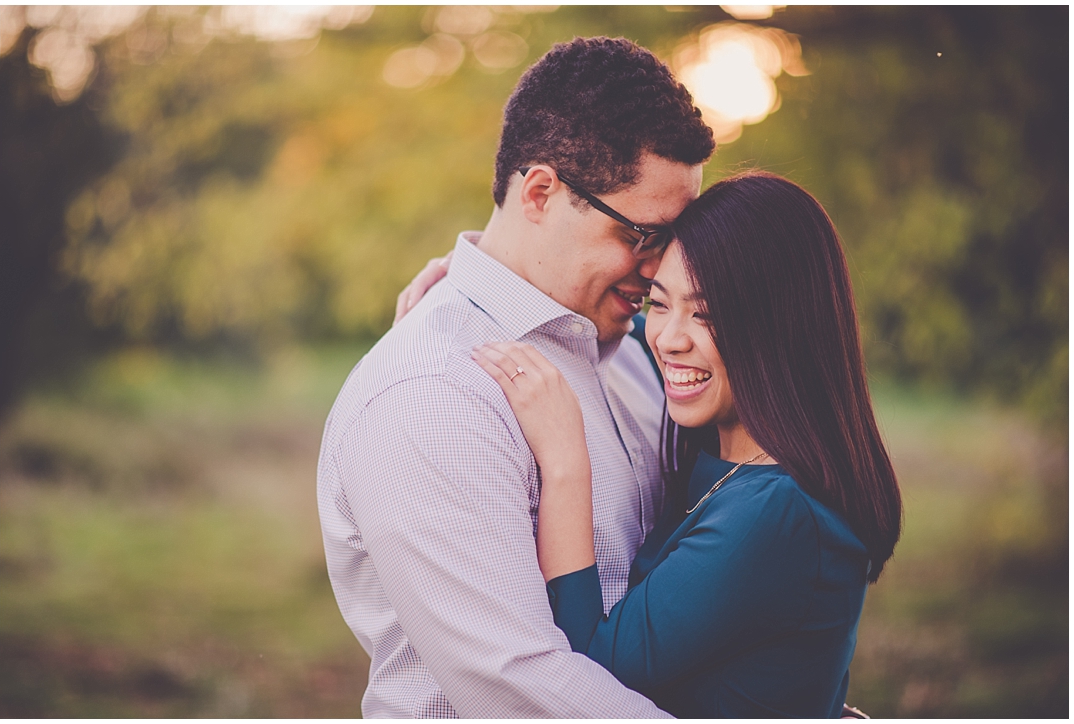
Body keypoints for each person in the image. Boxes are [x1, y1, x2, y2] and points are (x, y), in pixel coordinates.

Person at [317, 36, 714, 717]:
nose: (659, 270)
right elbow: (519, 687)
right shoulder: (431, 395)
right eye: (640, 236)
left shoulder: (637, 353)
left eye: (675, 241)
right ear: (539, 193)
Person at [471, 171, 903, 717]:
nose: (669, 339)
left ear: (780, 325)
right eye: (659, 302)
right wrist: (458, 286)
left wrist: (564, 463)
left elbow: (589, 676)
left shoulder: (774, 512)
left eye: (706, 313)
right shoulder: (723, 462)